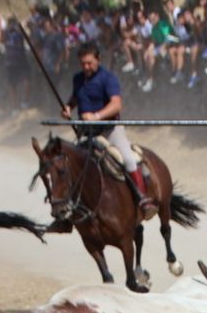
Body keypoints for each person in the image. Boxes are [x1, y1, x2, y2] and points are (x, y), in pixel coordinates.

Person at [62, 41, 157, 220]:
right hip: (87, 133)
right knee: (70, 165)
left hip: (110, 130)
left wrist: (96, 116)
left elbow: (116, 104)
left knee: (128, 159)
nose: (86, 67)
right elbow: (77, 96)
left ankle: (144, 200)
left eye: (89, 63)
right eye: (83, 63)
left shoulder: (108, 78)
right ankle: (71, 210)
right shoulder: (78, 79)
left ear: (98, 59)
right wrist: (68, 107)